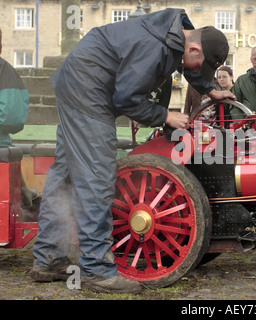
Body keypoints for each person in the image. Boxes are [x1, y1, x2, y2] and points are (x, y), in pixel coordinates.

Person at [30, 8, 235, 294]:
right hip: (89, 91)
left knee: (65, 173)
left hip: (78, 82)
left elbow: (190, 66)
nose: (198, 71)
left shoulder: (176, 34)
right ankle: (96, 269)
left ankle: (49, 258)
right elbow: (126, 99)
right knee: (97, 177)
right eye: (201, 66)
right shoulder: (154, 47)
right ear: (194, 47)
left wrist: (210, 89)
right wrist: (166, 116)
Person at [0, 27, 38, 218]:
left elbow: (10, 117)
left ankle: (26, 199)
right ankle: (26, 196)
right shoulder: (6, 70)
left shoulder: (5, 71)